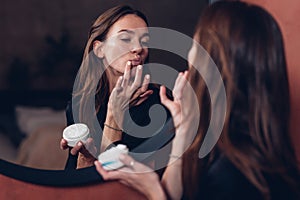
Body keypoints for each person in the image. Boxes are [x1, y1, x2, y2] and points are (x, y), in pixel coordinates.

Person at [95, 1, 300, 199]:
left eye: (196, 43)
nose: (190, 52)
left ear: (214, 61)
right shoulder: (240, 148)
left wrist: (153, 190)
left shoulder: (229, 176)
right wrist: (184, 129)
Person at [60, 5, 173, 170]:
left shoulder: (159, 105)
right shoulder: (80, 105)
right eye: (126, 39)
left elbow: (123, 185)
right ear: (99, 49)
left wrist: (115, 114)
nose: (139, 48)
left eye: (145, 41)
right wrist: (84, 161)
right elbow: (71, 182)